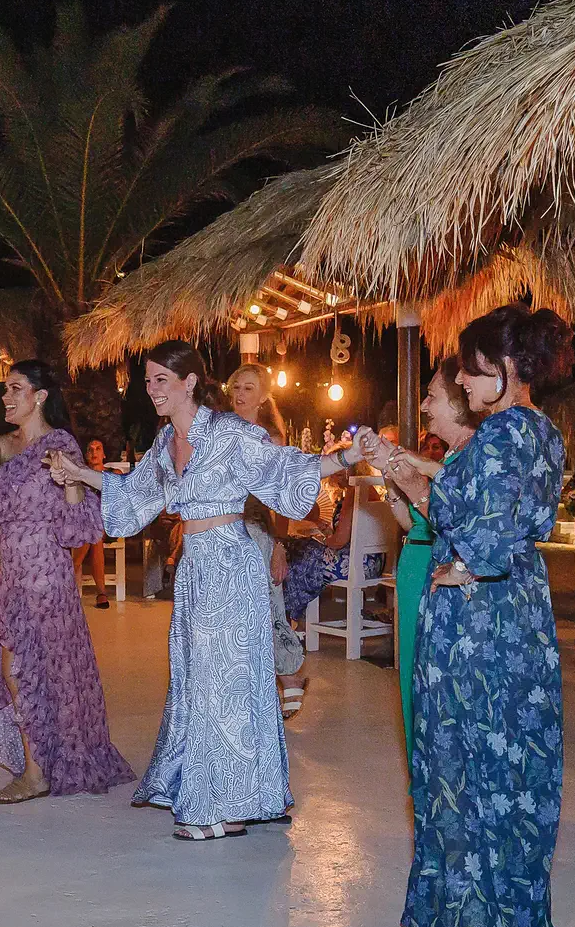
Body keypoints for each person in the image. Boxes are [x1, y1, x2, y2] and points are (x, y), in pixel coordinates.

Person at [46, 341, 377, 841]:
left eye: (162, 380)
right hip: (196, 568)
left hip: (230, 562)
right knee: (196, 678)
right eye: (148, 380)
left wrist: (348, 455)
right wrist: (79, 474)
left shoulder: (228, 432)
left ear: (190, 383)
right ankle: (234, 792)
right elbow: (133, 494)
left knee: (227, 682)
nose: (152, 389)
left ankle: (228, 807)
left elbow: (285, 468)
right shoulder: (165, 441)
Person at [380, 304, 569, 927]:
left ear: (506, 367)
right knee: (514, 764)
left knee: (463, 763)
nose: (461, 378)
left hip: (476, 624)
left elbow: (477, 535)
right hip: (523, 613)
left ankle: (472, 924)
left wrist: (458, 566)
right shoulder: (545, 432)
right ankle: (514, 915)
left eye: (471, 367)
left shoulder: (497, 436)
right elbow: (509, 522)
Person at [0, 361, 133, 803]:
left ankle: (38, 772)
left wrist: (72, 481)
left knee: (36, 669)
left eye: (15, 388)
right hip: (12, 577)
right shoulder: (8, 444)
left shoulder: (61, 446)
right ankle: (40, 762)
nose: (5, 397)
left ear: (39, 396)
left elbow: (78, 527)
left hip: (47, 577)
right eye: (5, 389)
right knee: (15, 668)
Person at [377, 360, 480, 749]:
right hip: (416, 561)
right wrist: (392, 484)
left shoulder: (472, 456)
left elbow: (454, 523)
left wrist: (413, 485)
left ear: (458, 402)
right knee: (413, 676)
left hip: (438, 570)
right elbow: (413, 523)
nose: (423, 406)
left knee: (436, 685)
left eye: (431, 396)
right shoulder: (452, 455)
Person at [227, 365, 310, 719]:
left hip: (259, 532)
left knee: (269, 608)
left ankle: (290, 676)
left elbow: (284, 498)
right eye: (236, 387)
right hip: (224, 531)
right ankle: (244, 687)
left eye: (248, 388)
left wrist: (280, 547)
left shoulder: (270, 440)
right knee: (233, 613)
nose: (240, 394)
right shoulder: (222, 431)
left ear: (263, 396)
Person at [281, 465, 385, 623]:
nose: (336, 473)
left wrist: (322, 540)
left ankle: (295, 618)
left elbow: (338, 542)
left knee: (293, 550)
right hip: (373, 563)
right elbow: (351, 535)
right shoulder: (370, 490)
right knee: (301, 548)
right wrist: (323, 529)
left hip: (353, 565)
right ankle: (298, 616)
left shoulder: (355, 492)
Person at [71, 437, 112, 609]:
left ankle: (68, 579)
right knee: (94, 536)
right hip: (84, 526)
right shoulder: (79, 478)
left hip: (108, 525)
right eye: (90, 449)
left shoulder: (113, 475)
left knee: (94, 532)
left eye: (98, 449)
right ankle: (101, 593)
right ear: (86, 455)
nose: (94, 452)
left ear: (104, 455)